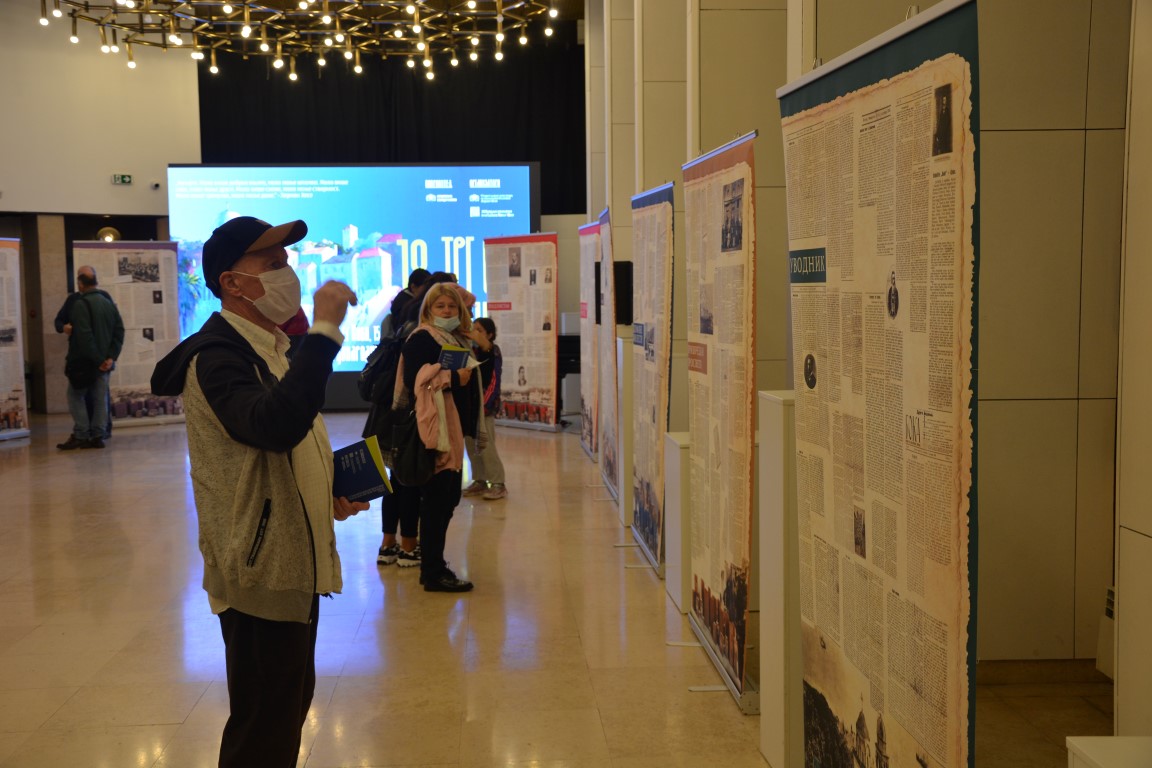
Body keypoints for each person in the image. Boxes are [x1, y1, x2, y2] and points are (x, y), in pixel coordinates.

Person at [150, 216, 369, 767]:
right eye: (272, 264)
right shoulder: (217, 358)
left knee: (286, 709)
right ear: (232, 283)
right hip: (259, 568)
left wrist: (325, 492)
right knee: (263, 727)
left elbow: (280, 448)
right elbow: (273, 426)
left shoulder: (269, 347)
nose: (287, 273)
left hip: (292, 561)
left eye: (287, 262)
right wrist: (324, 332)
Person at [399, 283, 484, 592]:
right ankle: (432, 572)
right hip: (435, 432)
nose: (447, 311)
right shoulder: (422, 338)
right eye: (441, 306)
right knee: (437, 503)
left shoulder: (457, 338)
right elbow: (415, 380)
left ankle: (434, 566)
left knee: (447, 500)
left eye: (452, 306)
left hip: (453, 429)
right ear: (428, 310)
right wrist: (452, 377)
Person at [57, 266, 124, 450]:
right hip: (104, 363)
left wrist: (99, 360)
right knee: (100, 398)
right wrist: (110, 357)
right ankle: (98, 435)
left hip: (85, 363)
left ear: (80, 283)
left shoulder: (80, 304)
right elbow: (119, 331)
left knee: (75, 396)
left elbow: (85, 337)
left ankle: (81, 433)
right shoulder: (108, 303)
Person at [462, 317, 508, 500]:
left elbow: (494, 381)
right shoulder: (472, 351)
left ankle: (498, 483)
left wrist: (484, 405)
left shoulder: (493, 352)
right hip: (470, 406)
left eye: (479, 330)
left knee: (486, 445)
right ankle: (479, 480)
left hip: (485, 407)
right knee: (471, 444)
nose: (474, 333)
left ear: (489, 334)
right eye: (473, 329)